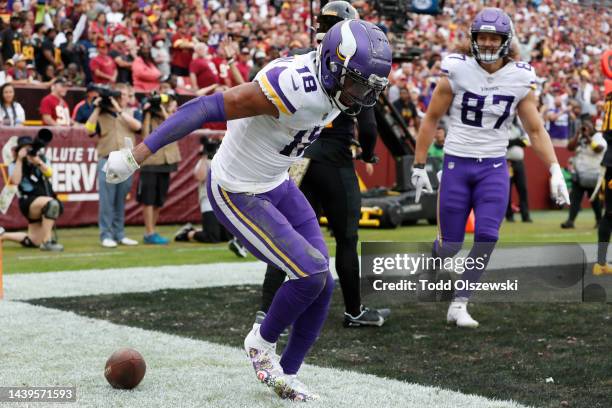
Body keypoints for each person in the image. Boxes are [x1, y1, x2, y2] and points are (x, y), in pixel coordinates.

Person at [103, 19, 391, 401]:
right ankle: (260, 342)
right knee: (310, 272)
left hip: (275, 183)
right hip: (237, 190)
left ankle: (286, 373)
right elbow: (208, 106)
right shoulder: (293, 87)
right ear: (333, 68)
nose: (360, 95)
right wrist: (138, 155)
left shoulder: (331, 84)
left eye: (368, 87)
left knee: (323, 283)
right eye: (356, 83)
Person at [411, 8, 569, 328]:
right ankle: (434, 257)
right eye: (481, 36)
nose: (485, 42)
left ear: (505, 41)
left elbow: (535, 130)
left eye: (492, 37)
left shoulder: (520, 77)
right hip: (456, 162)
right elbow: (430, 119)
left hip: (494, 167)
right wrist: (418, 164)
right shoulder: (456, 70)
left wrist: (554, 168)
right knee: (450, 245)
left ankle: (460, 303)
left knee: (487, 236)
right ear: (472, 38)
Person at [257, 0, 390, 329]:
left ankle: (265, 310)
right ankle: (354, 311)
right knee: (346, 238)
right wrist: (368, 152)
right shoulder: (355, 63)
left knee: (288, 236)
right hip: (335, 161)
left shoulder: (302, 58)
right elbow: (370, 127)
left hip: (299, 160)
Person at [85, 83, 141, 248]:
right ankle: (106, 235)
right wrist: (96, 108)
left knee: (120, 200)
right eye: (119, 95)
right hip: (107, 159)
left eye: (123, 95)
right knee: (107, 201)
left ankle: (119, 234)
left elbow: (137, 126)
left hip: (126, 160)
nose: (121, 98)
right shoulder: (100, 114)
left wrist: (118, 109)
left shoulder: (130, 112)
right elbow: (88, 130)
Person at [174, 137, 248, 257]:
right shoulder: (205, 161)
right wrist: (205, 155)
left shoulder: (228, 160)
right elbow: (199, 176)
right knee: (212, 236)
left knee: (227, 236)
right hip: (209, 200)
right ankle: (187, 233)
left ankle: (196, 230)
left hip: (225, 200)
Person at [2, 134, 64, 251]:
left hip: (43, 198)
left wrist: (38, 162)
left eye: (29, 148)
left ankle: (2, 236)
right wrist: (20, 160)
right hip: (28, 201)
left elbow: (49, 173)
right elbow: (15, 181)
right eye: (24, 148)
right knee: (52, 204)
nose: (28, 151)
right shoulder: (15, 164)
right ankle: (47, 242)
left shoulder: (40, 159)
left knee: (34, 241)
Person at [137, 95, 180, 244]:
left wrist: (161, 110)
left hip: (166, 161)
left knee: (158, 200)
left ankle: (152, 231)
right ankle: (149, 232)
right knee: (148, 199)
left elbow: (173, 125)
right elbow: (145, 136)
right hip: (151, 162)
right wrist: (148, 113)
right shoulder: (147, 116)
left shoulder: (170, 114)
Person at [561, 120, 605, 229]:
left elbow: (599, 149)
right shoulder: (580, 137)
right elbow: (570, 147)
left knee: (595, 200)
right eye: (583, 127)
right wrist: (577, 135)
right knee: (575, 199)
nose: (585, 129)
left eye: (587, 127)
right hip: (580, 173)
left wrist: (588, 137)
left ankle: (599, 221)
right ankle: (570, 221)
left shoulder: (598, 137)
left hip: (593, 174)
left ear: (592, 128)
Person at [505, 118, 532, 223]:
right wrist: (517, 141)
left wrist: (515, 141)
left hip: (519, 162)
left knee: (523, 189)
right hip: (508, 162)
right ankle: (509, 215)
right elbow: (504, 143)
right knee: (508, 190)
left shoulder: (518, 128)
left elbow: (526, 142)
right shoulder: (504, 127)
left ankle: (525, 215)